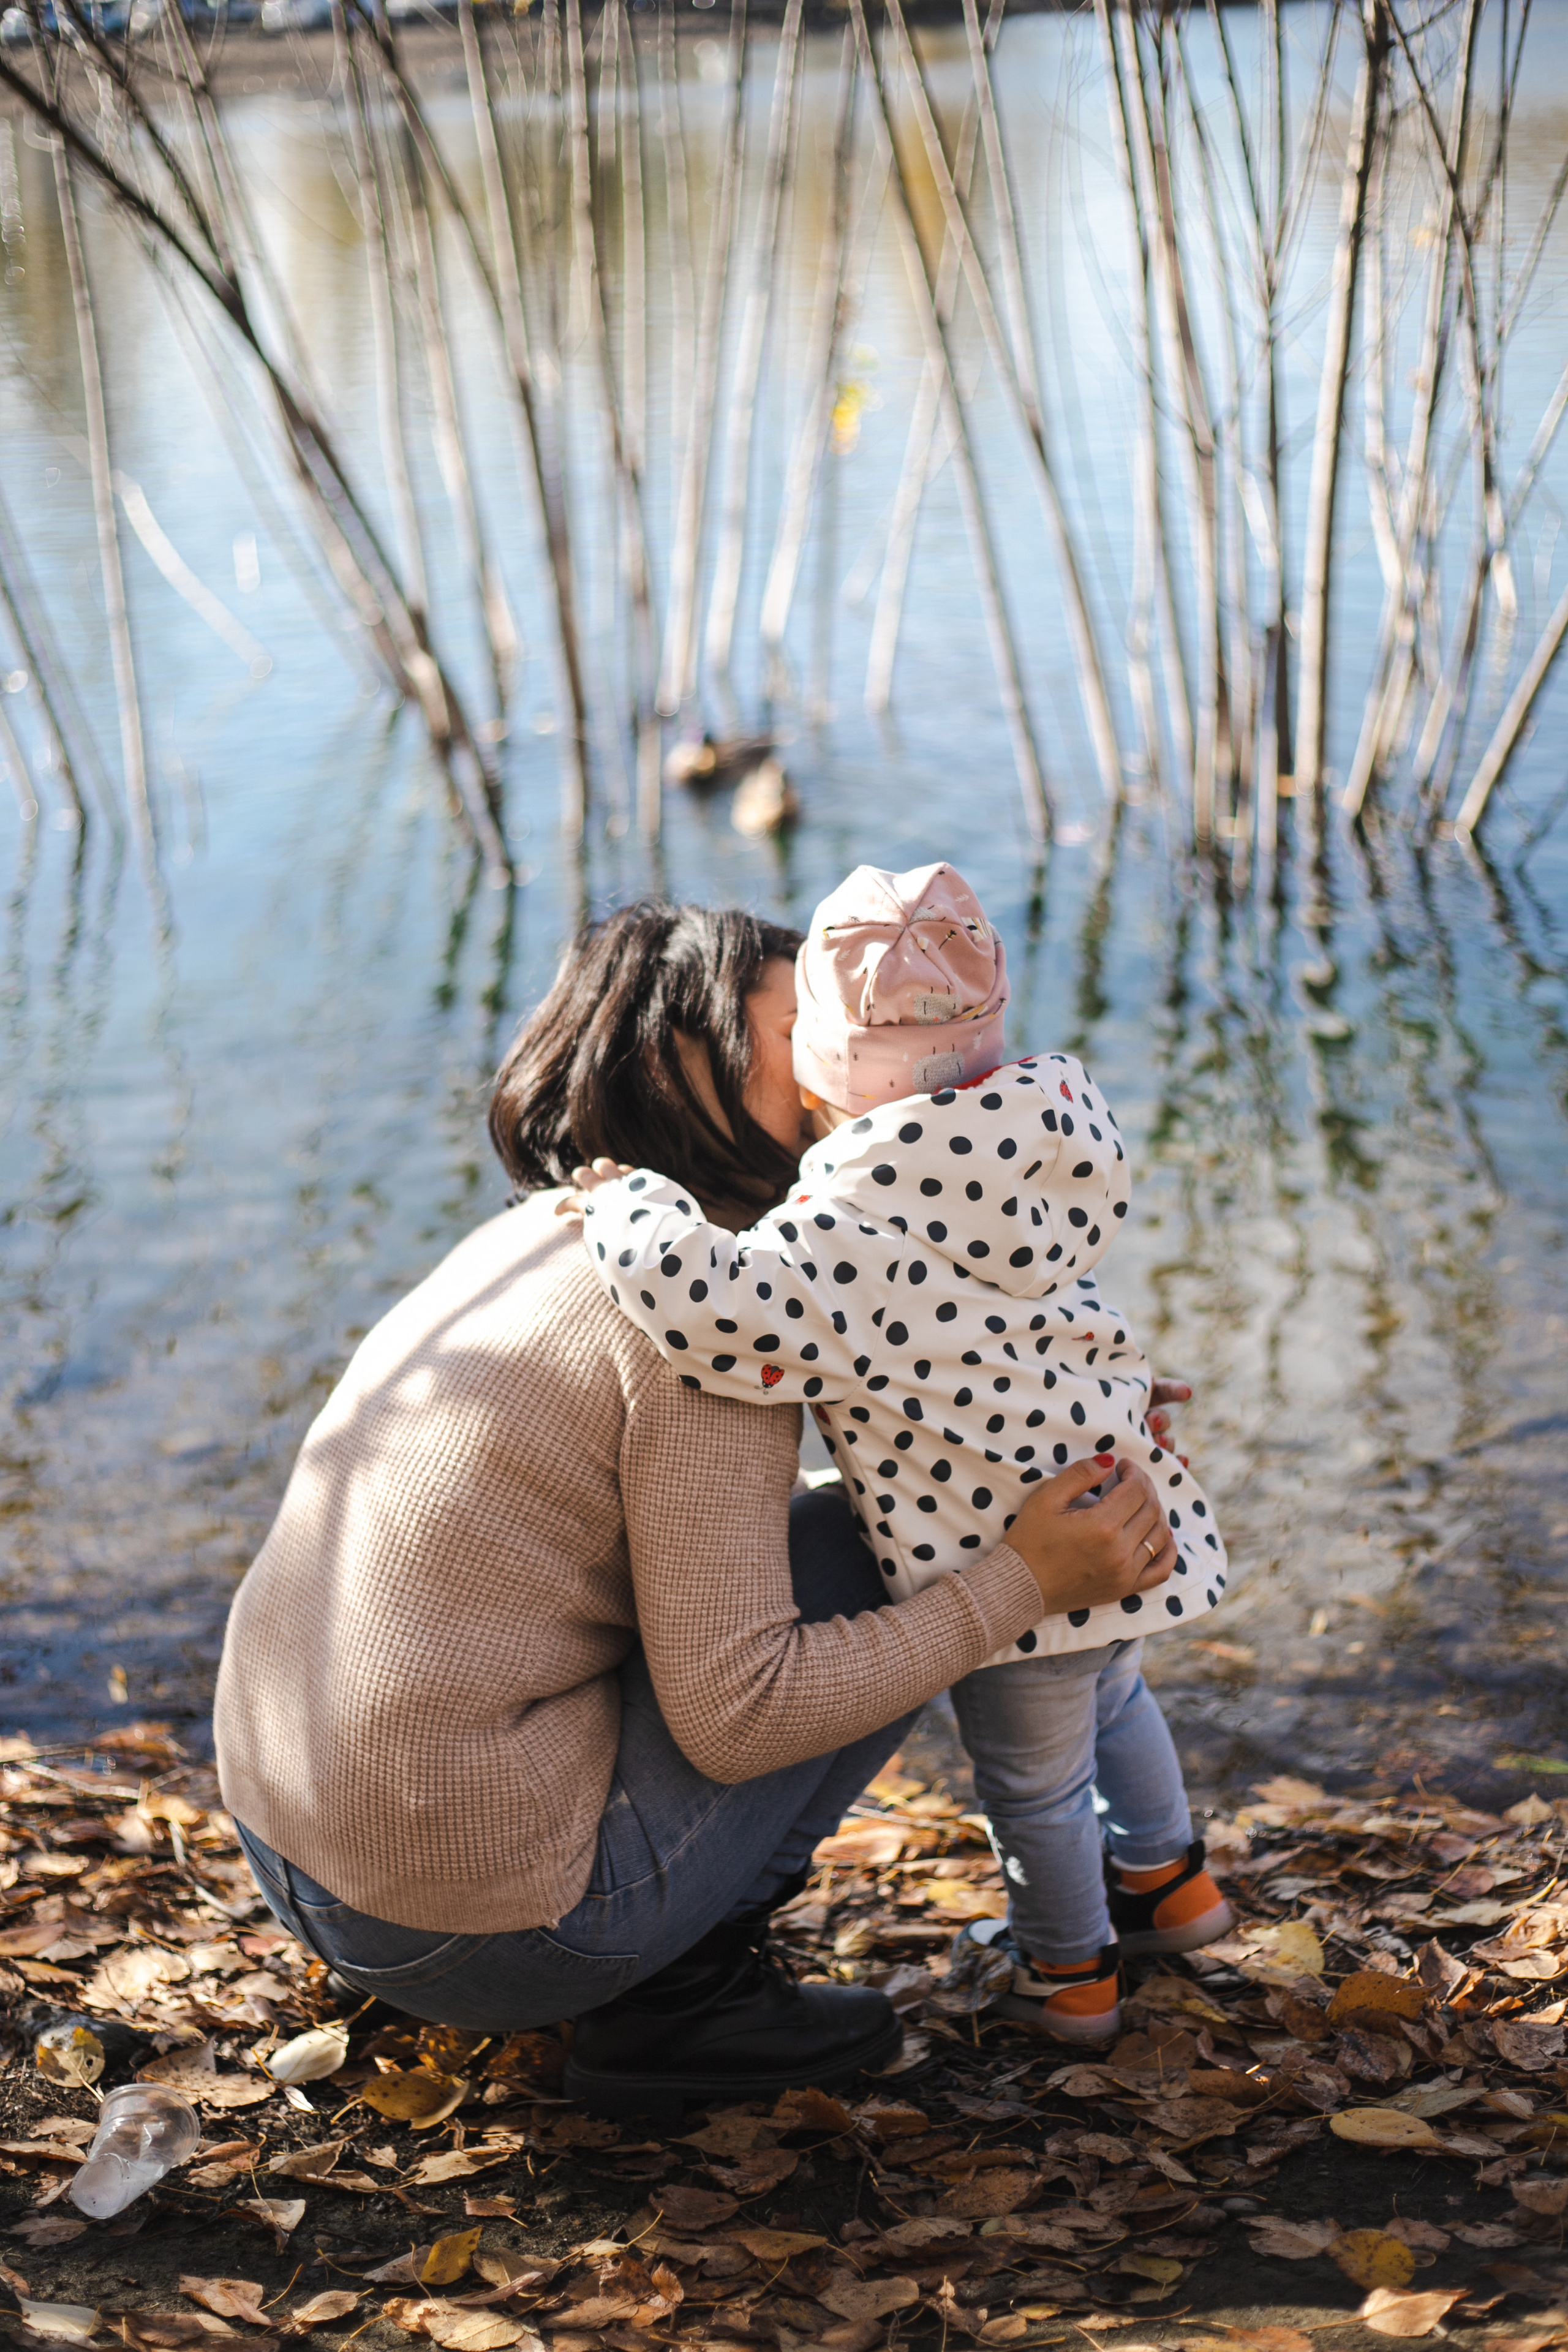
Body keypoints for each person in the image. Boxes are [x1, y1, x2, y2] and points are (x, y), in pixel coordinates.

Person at [214, 900, 1182, 2119]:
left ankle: (634, 1953)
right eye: (805, 1026)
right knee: (914, 1545)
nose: (852, 1054)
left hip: (297, 1854)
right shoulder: (697, 1346)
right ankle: (679, 2001)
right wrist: (1020, 1581)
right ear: (686, 1060)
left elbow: (899, 1395)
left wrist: (1071, 1401)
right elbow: (740, 1715)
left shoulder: (555, 1237)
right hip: (475, 1936)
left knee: (880, 1518)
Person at [577, 864, 1231, 2046]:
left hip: (1012, 1547)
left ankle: (1069, 1975)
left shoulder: (849, 1226)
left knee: (1031, 1785)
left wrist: (638, 1205)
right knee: (1120, 1695)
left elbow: (715, 1306)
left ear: (821, 1070)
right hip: (1105, 1486)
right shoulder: (1034, 1150)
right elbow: (1047, 1318)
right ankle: (1171, 1886)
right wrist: (1130, 1398)